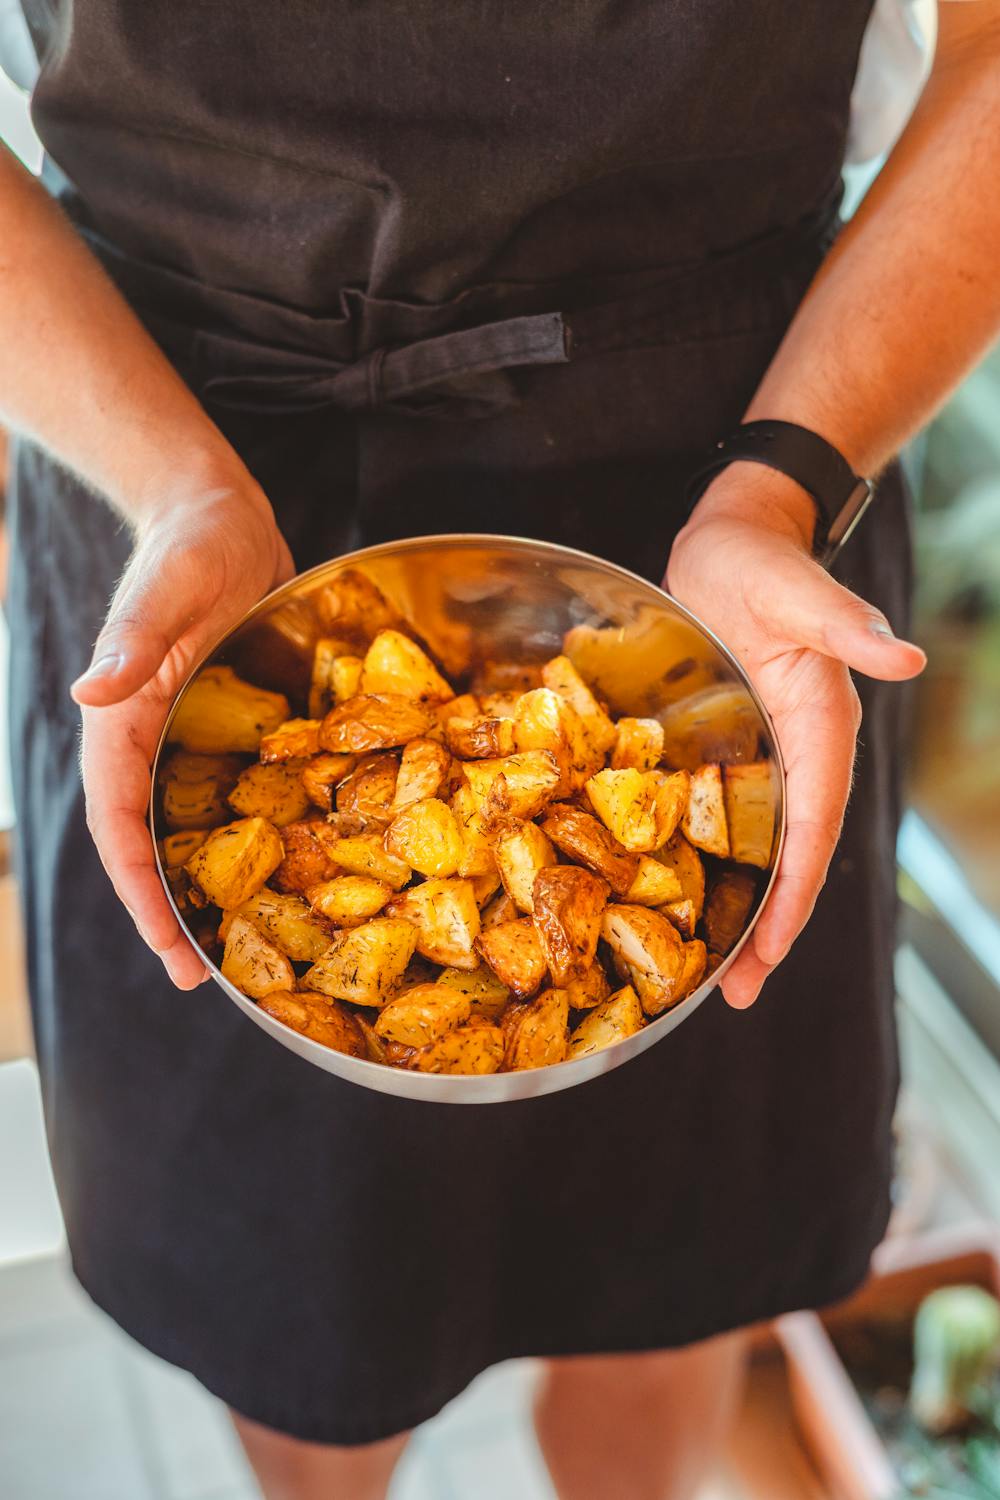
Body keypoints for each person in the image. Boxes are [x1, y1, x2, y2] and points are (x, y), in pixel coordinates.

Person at [3, 2, 999, 1496]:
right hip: (181, 481)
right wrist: (174, 487)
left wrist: (785, 478)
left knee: (676, 1272)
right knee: (301, 1313)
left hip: (747, 463)